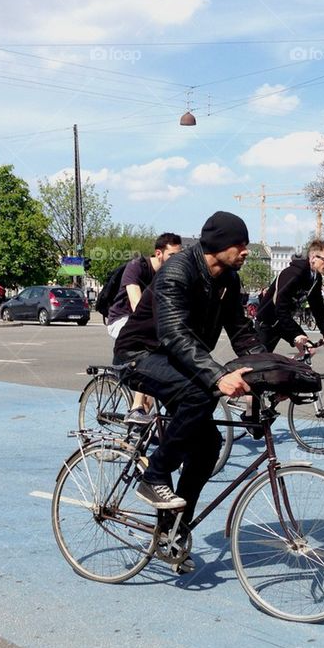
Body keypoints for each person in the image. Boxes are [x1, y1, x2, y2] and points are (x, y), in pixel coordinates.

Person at [112, 211, 264, 573]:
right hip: (140, 356)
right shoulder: (177, 272)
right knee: (202, 393)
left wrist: (274, 372)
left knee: (209, 445)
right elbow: (173, 333)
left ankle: (172, 530)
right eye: (239, 244)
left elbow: (241, 332)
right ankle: (155, 475)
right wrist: (216, 377)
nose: (245, 250)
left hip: (177, 359)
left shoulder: (227, 279)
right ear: (217, 245)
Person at [106, 233, 183, 424]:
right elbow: (136, 304)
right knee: (147, 350)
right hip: (122, 320)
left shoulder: (170, 274)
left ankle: (150, 414)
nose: (178, 260)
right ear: (159, 253)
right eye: (173, 255)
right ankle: (136, 408)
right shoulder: (137, 267)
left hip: (148, 322)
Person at [255, 239, 324, 354]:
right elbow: (280, 308)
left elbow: (318, 308)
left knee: (309, 350)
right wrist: (296, 333)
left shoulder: (316, 278)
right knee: (259, 362)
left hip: (284, 322)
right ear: (313, 257)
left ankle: (291, 371)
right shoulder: (292, 274)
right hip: (267, 322)